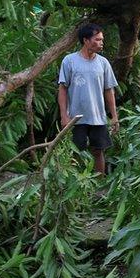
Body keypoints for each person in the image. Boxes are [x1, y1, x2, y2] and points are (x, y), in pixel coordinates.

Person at [58, 24, 119, 173]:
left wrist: (114, 116)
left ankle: (99, 187)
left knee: (98, 151)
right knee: (74, 153)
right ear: (86, 40)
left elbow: (109, 90)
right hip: (75, 117)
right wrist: (64, 115)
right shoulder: (69, 61)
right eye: (97, 39)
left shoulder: (103, 63)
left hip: (98, 116)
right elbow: (62, 89)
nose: (101, 43)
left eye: (102, 39)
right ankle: (75, 186)